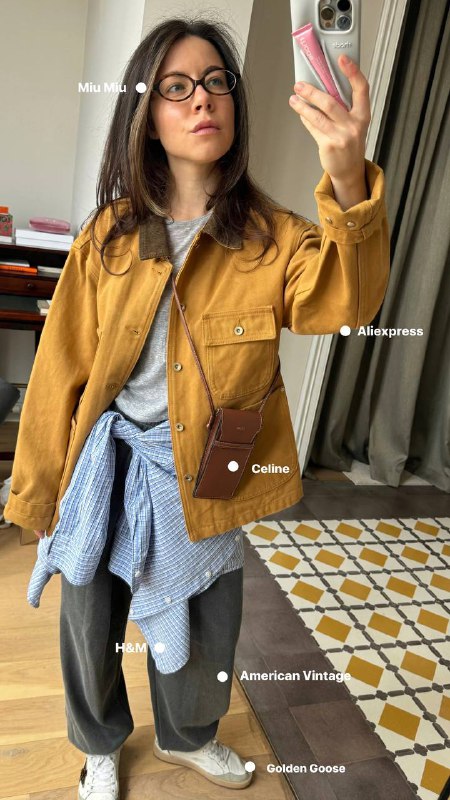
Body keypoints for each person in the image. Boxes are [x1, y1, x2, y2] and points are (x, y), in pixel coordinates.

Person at [4, 15, 389, 800]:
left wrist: (349, 180)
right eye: (175, 88)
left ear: (235, 104)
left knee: (212, 623)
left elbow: (348, 303)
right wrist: (41, 494)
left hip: (207, 479)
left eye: (216, 82)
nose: (202, 99)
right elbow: (58, 374)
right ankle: (99, 745)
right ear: (147, 115)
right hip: (107, 469)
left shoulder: (276, 240)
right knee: (90, 618)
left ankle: (188, 736)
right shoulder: (109, 238)